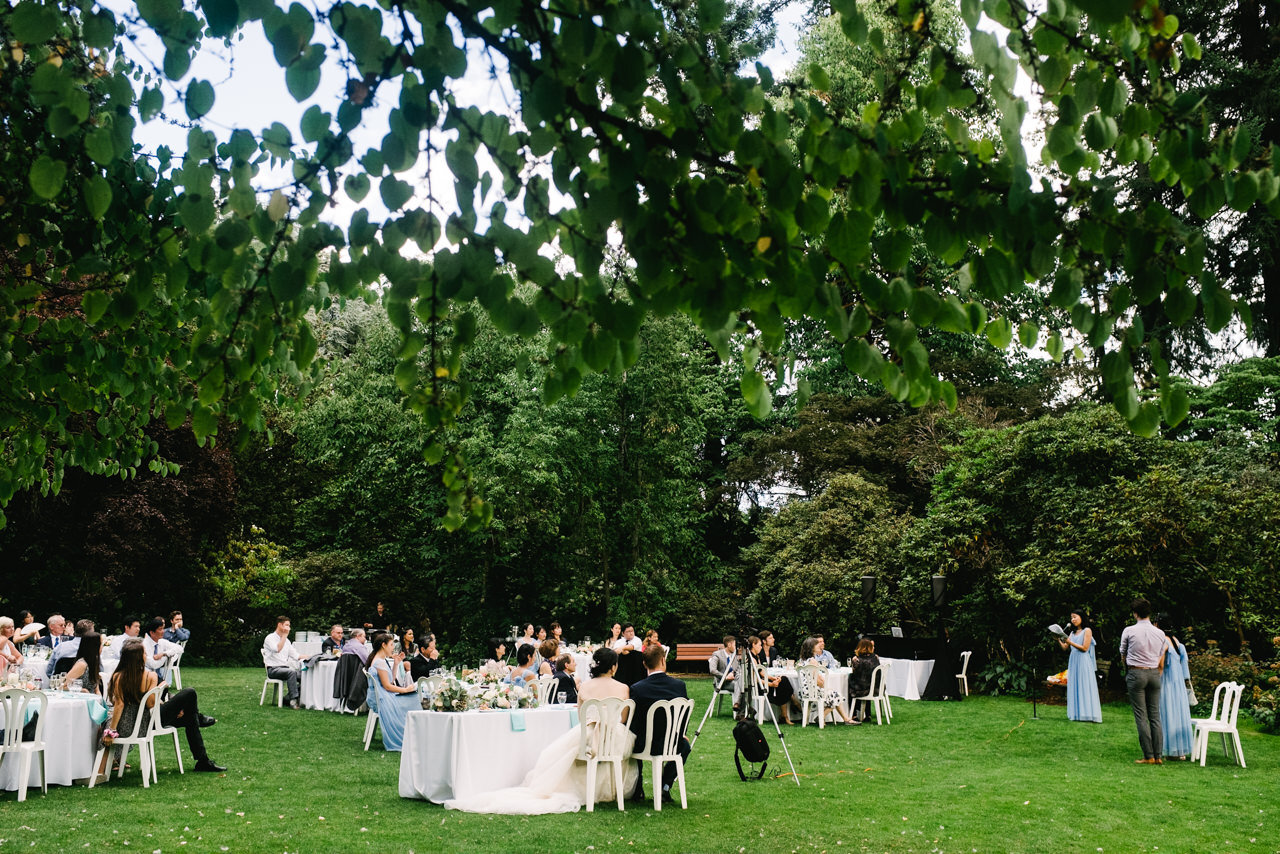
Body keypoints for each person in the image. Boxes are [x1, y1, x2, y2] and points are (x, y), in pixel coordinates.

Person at [444, 647, 638, 814]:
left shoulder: (585, 687)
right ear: (613, 667)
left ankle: (583, 789)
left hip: (587, 737)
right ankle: (610, 791)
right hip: (614, 739)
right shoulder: (623, 688)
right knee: (622, 745)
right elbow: (622, 719)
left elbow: (581, 717)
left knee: (564, 752)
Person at [100, 639, 224, 779]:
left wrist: (113, 729)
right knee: (190, 692)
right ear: (139, 657)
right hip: (149, 722)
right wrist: (159, 689)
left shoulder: (118, 676)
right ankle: (200, 723)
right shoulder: (149, 676)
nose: (146, 654)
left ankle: (203, 760)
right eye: (144, 652)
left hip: (135, 724)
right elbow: (151, 704)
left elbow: (119, 704)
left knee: (190, 717)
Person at [629, 642, 691, 802]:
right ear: (663, 660)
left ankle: (637, 788)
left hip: (643, 744)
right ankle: (665, 786)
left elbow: (634, 721)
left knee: (631, 741)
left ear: (644, 664)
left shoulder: (637, 688)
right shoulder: (679, 686)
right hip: (671, 743)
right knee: (684, 745)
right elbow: (683, 717)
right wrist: (680, 735)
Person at [1119, 597, 1168, 764]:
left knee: (1141, 716)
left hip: (1136, 672)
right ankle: (1159, 755)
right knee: (1155, 716)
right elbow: (1162, 653)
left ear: (1135, 613)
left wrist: (1127, 669)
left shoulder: (1129, 631)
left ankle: (1149, 756)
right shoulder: (1160, 633)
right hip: (1154, 673)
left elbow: (1123, 653)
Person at [366, 632, 419, 751]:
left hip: (384, 695)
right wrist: (405, 690)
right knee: (414, 698)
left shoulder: (381, 660)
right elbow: (387, 686)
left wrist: (396, 664)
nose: (393, 648)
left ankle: (413, 734)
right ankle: (413, 734)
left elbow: (391, 680)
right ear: (384, 645)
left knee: (413, 696)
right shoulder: (379, 662)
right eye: (391, 645)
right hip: (383, 698)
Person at [1153, 614, 1193, 760]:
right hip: (1178, 685)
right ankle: (1179, 750)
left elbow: (1161, 665)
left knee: (1165, 713)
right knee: (1178, 715)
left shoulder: (1162, 641)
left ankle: (1165, 748)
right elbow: (1184, 668)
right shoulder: (1177, 642)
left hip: (1167, 683)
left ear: (1158, 625)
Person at [798, 637, 857, 724]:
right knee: (836, 695)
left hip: (804, 692)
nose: (819, 645)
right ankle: (823, 718)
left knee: (834, 694)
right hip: (814, 692)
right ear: (812, 647)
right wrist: (824, 684)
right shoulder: (813, 661)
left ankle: (845, 719)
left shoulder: (802, 661)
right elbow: (818, 681)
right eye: (817, 644)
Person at [1059, 609, 1101, 723]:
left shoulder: (1087, 630)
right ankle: (1076, 714)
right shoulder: (1072, 633)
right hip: (1073, 661)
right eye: (1071, 617)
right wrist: (1058, 639)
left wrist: (1069, 641)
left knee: (1084, 685)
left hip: (1083, 661)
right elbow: (1065, 647)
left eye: (1075, 617)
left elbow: (1084, 648)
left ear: (1081, 617)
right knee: (1075, 685)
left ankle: (1087, 714)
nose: (1073, 620)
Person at [262, 615, 305, 709]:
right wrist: (285, 635)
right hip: (273, 670)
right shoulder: (270, 638)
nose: (289, 628)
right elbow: (277, 649)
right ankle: (293, 701)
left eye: (289, 625)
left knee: (305, 676)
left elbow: (297, 656)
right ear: (279, 625)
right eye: (287, 625)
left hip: (285, 669)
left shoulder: (287, 641)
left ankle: (287, 698)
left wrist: (314, 657)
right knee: (291, 672)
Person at [849, 638, 881, 723]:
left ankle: (853, 714)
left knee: (850, 685)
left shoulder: (858, 660)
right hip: (877, 689)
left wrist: (853, 663)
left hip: (863, 690)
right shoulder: (876, 658)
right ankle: (868, 714)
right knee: (867, 683)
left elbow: (855, 675)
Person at [63, 631, 104, 695]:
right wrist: (82, 690)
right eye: (101, 644)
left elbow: (97, 689)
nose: (102, 647)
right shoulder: (82, 664)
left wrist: (100, 702)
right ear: (95, 646)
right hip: (82, 701)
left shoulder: (94, 662)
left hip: (93, 700)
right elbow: (64, 686)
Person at [708, 635, 740, 711]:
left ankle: (740, 708)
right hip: (722, 682)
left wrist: (734, 673)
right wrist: (725, 677)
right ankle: (738, 706)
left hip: (735, 680)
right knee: (740, 685)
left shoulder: (734, 655)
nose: (736, 647)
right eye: (735, 645)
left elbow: (738, 669)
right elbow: (712, 670)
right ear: (729, 645)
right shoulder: (717, 654)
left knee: (744, 685)